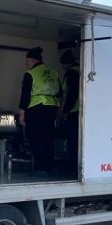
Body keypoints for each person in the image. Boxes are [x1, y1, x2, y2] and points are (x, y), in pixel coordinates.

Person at [18, 46, 60, 175]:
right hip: (52, 107)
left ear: (33, 60)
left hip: (36, 108)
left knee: (36, 138)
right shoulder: (53, 72)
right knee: (48, 137)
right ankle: (50, 165)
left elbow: (25, 95)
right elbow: (60, 92)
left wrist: (22, 113)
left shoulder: (31, 74)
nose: (26, 64)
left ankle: (41, 168)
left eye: (27, 61)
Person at [58, 49, 80, 175]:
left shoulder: (71, 73)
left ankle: (72, 167)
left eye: (62, 64)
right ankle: (74, 166)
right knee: (76, 141)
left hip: (74, 112)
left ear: (66, 63)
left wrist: (65, 111)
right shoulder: (79, 70)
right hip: (78, 111)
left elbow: (72, 94)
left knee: (72, 141)